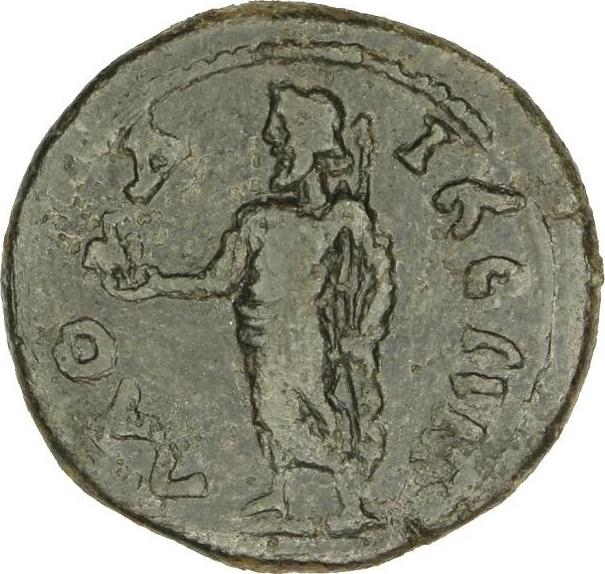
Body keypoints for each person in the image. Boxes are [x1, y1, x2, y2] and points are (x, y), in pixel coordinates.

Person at [85, 83, 395, 530]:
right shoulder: (258, 220)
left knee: (303, 412)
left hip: (302, 338)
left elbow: (378, 274)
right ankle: (281, 492)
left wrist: (366, 331)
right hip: (258, 335)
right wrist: (156, 285)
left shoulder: (342, 218)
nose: (275, 152)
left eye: (282, 144)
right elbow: (218, 281)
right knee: (267, 413)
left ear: (309, 147)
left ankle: (350, 495)